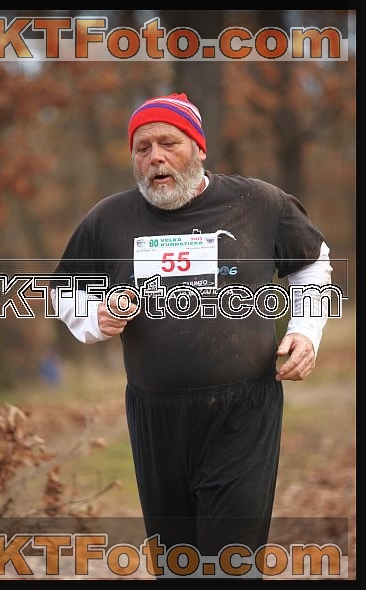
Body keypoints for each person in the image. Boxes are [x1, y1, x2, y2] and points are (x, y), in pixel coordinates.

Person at [50, 93, 332, 579]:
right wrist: (96, 314)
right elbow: (61, 291)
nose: (155, 157)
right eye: (142, 148)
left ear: (199, 148)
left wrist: (305, 332)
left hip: (243, 410)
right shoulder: (108, 219)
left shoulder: (258, 203)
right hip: (155, 416)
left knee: (229, 562)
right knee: (177, 564)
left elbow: (313, 260)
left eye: (169, 143)